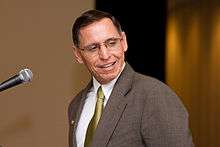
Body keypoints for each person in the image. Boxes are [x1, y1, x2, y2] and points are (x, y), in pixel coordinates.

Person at [68, 9, 194, 147]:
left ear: (124, 42)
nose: (105, 55)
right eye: (93, 48)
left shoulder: (154, 95)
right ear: (78, 54)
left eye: (111, 43)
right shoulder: (75, 105)